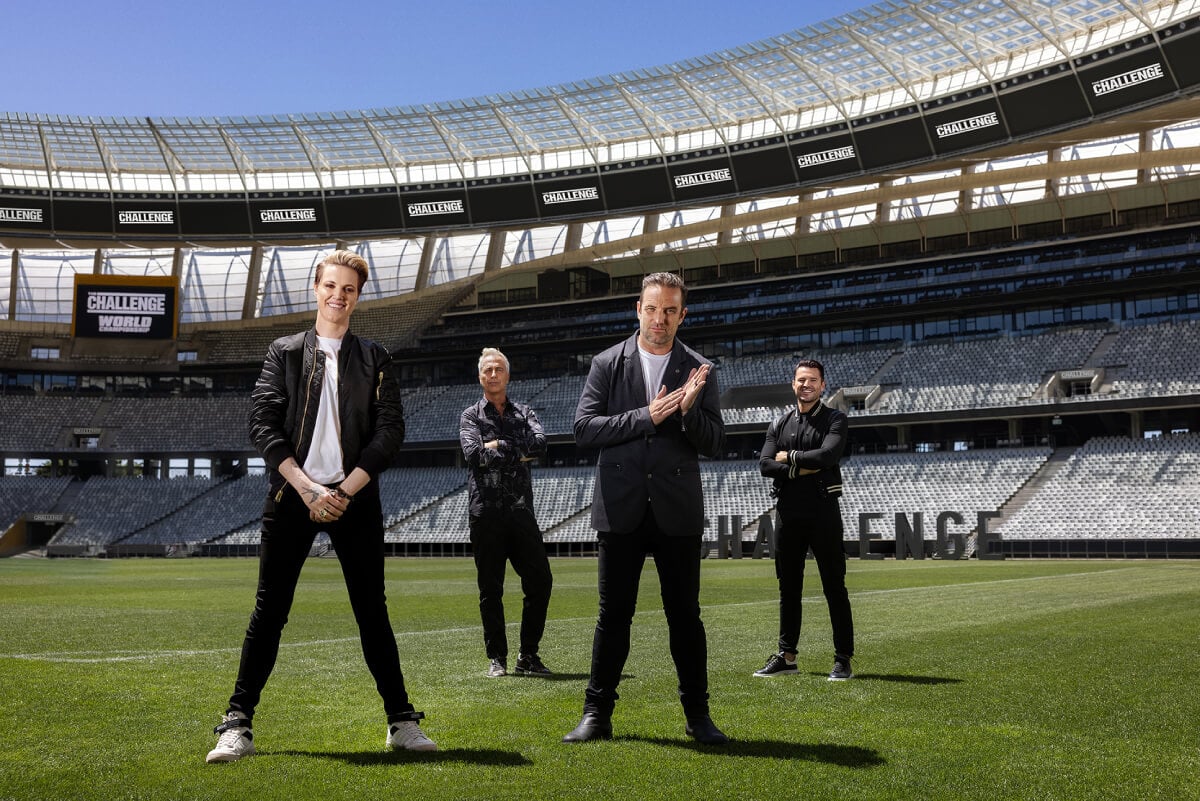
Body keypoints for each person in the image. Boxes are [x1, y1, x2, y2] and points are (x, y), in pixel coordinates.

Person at [206, 250, 436, 763]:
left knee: (372, 613)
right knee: (270, 612)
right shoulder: (284, 353)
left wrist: (344, 490)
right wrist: (308, 488)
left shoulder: (375, 357)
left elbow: (390, 431)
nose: (339, 295)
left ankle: (401, 721)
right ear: (316, 288)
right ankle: (237, 724)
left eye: (349, 289)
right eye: (331, 286)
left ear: (358, 296)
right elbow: (263, 426)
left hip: (354, 497)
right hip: (292, 497)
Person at [563, 272, 728, 746]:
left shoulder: (700, 369)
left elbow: (715, 443)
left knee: (685, 618)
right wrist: (648, 416)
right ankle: (596, 714)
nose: (661, 319)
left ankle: (698, 717)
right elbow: (584, 430)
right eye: (653, 309)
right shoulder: (606, 364)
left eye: (671, 310)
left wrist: (689, 411)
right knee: (613, 616)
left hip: (677, 510)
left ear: (683, 314)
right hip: (621, 508)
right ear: (638, 309)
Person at [754, 358, 855, 681]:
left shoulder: (835, 419)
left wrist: (791, 458)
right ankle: (787, 656)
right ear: (793, 384)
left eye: (812, 380)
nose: (806, 385)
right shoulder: (779, 423)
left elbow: (828, 456)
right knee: (789, 587)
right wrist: (804, 467)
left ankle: (842, 658)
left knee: (834, 586)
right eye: (801, 380)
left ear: (822, 385)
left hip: (823, 510)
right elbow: (766, 465)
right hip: (788, 512)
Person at [459, 347, 554, 678]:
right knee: (491, 588)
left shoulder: (524, 412)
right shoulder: (470, 416)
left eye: (499, 369)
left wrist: (497, 445)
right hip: (485, 513)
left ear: (508, 375)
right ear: (480, 376)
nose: (493, 374)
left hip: (520, 511)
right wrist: (514, 450)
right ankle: (497, 658)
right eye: (487, 370)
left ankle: (528, 656)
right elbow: (473, 454)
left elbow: (540, 445)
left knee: (540, 582)